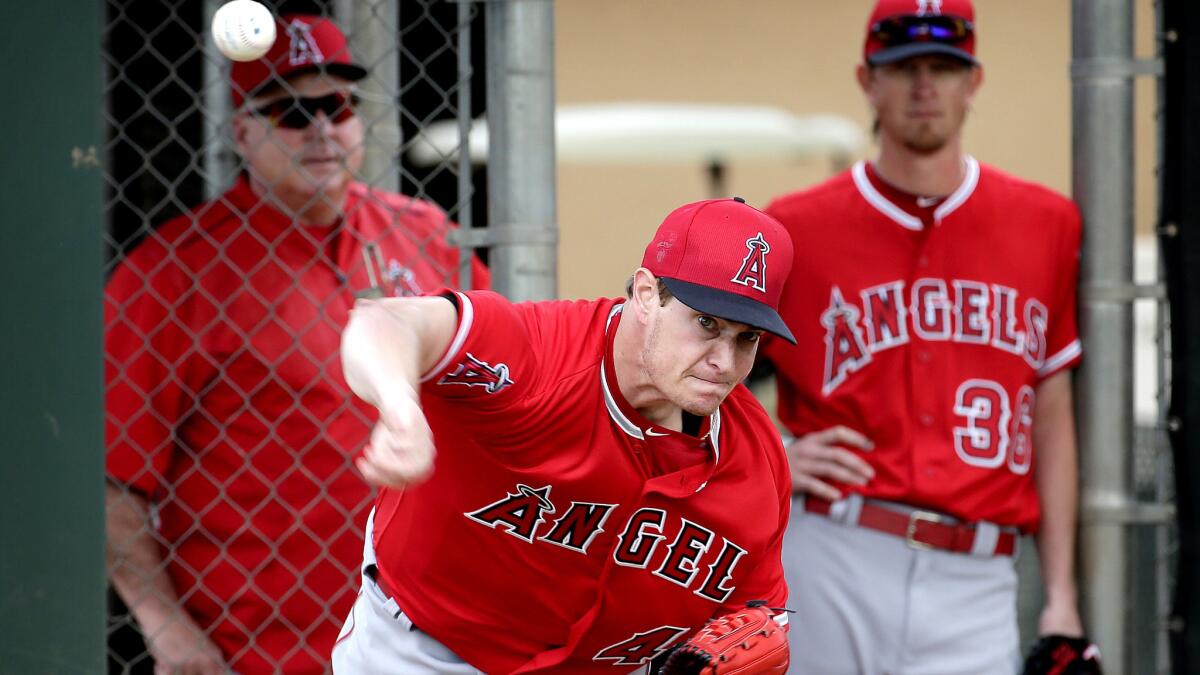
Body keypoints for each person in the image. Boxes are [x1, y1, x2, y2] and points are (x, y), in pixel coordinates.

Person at [104, 14, 489, 675]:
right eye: (291, 111)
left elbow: (496, 396)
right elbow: (113, 483)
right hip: (259, 650)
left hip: (426, 637)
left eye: (336, 105)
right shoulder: (173, 271)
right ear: (244, 131)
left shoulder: (423, 233)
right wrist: (166, 626)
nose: (321, 128)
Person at [330, 197, 795, 674]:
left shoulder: (756, 459)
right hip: (426, 651)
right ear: (646, 294)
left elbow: (757, 617)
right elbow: (383, 322)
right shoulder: (539, 356)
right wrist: (399, 406)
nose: (725, 362)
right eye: (706, 323)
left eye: (746, 339)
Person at [759, 1, 1087, 673]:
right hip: (835, 549)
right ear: (867, 79)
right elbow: (703, 377)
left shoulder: (1047, 223)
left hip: (980, 574)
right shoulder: (794, 229)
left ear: (975, 82)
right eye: (904, 67)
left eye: (944, 67)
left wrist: (1062, 597)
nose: (925, 87)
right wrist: (774, 457)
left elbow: (1051, 415)